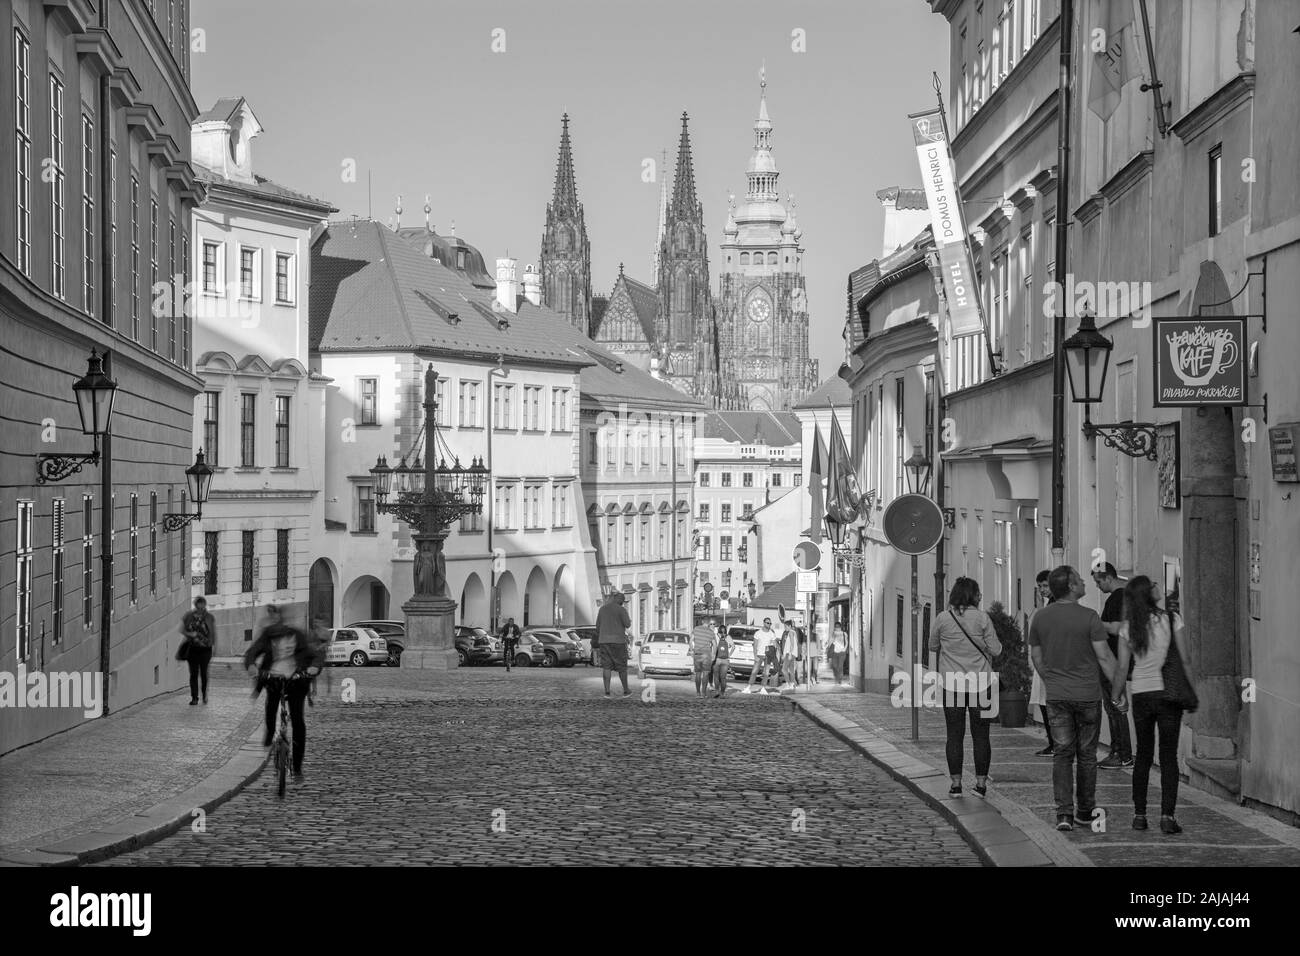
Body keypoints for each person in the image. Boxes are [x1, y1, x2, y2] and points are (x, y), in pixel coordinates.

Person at [1029, 566, 1120, 832]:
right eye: (1079, 580)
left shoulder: (1041, 618)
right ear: (1070, 586)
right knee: (1087, 755)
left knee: (1062, 754)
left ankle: (1064, 814)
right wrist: (1118, 691)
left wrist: (1050, 679)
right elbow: (1104, 657)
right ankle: (1085, 810)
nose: (1084, 583)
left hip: (1057, 696)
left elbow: (1036, 656)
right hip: (1088, 695)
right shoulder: (1090, 617)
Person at [1113, 576, 1193, 835]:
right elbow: (1185, 658)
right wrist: (1191, 690)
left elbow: (1123, 667)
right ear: (1148, 593)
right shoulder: (1172, 619)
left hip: (1142, 694)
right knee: (1168, 756)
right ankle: (1168, 816)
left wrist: (1117, 696)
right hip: (1168, 694)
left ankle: (1139, 815)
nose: (1158, 587)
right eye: (1153, 585)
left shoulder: (1128, 627)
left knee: (1144, 755)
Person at [928, 577, 1001, 798]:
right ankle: (980, 785)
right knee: (981, 735)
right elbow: (996, 650)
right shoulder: (982, 618)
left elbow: (932, 646)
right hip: (980, 684)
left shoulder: (943, 618)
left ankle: (956, 784)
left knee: (954, 734)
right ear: (973, 595)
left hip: (952, 685)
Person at [243, 605, 323, 780]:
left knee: (298, 721)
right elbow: (252, 652)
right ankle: (270, 734)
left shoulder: (297, 635)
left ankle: (297, 767)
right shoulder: (268, 636)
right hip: (274, 680)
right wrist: (251, 665)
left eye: (276, 619)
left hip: (296, 681)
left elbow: (315, 655)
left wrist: (314, 668)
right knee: (270, 706)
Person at [1093, 562, 1134, 769]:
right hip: (1115, 660)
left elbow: (1120, 628)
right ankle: (1118, 750)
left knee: (1115, 707)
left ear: (1108, 578)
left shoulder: (1118, 598)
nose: (1098, 587)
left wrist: (1096, 625)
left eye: (1099, 582)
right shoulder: (1123, 597)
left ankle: (1122, 753)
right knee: (1114, 707)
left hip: (1113, 662)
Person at [1028, 570, 1056, 757]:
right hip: (1044, 662)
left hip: (1049, 662)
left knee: (1049, 704)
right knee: (1045, 704)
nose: (1042, 590)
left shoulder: (1053, 607)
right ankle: (1053, 742)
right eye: (1040, 586)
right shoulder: (1047, 605)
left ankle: (1055, 743)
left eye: (1045, 586)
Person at [595, 592, 633, 698]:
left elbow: (598, 627)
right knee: (622, 667)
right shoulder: (621, 610)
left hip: (604, 642)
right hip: (618, 642)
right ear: (621, 601)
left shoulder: (602, 609)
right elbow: (627, 624)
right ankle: (626, 690)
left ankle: (607, 692)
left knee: (606, 667)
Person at [180, 596, 216, 705]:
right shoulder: (189, 616)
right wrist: (191, 634)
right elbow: (182, 630)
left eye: (202, 604)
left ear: (204, 605)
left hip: (206, 650)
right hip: (192, 649)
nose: (200, 607)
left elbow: (213, 633)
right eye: (198, 604)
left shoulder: (209, 617)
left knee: (204, 673)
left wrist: (214, 647)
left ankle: (204, 694)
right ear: (196, 605)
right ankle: (194, 698)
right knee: (193, 674)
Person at [743, 617, 780, 695]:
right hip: (759, 655)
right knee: (754, 672)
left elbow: (775, 645)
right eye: (767, 623)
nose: (769, 624)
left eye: (770, 623)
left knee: (766, 673)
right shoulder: (758, 633)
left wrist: (774, 653)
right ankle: (748, 687)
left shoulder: (771, 634)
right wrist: (755, 656)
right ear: (763, 623)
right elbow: (755, 645)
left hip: (768, 656)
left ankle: (763, 688)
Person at [691, 622, 716, 698]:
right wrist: (713, 655)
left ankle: (698, 693)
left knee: (698, 674)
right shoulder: (710, 632)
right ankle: (703, 694)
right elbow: (715, 644)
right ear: (708, 624)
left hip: (697, 654)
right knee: (705, 674)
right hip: (706, 654)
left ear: (702, 622)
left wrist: (692, 650)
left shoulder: (696, 629)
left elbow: (690, 641)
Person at [711, 628, 732, 698]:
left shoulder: (716, 636)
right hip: (725, 660)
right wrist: (729, 655)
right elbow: (734, 647)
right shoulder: (728, 637)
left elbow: (713, 646)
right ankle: (722, 693)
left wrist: (712, 656)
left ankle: (717, 691)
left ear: (719, 631)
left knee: (716, 677)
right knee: (723, 678)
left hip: (717, 659)